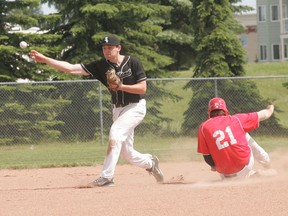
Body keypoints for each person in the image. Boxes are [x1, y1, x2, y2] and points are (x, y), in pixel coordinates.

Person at [29, 35, 164, 186]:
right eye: (104, 48)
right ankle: (150, 163)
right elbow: (71, 68)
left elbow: (142, 88)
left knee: (115, 133)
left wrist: (120, 87)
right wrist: (46, 59)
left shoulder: (133, 62)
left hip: (136, 106)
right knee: (128, 153)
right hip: (118, 110)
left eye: (110, 48)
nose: (106, 51)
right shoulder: (101, 66)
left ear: (118, 48)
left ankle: (107, 177)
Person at [197, 97, 274, 180]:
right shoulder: (236, 119)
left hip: (225, 175)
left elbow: (207, 157)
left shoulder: (203, 127)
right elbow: (265, 115)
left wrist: (213, 166)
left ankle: (249, 175)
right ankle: (267, 165)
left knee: (212, 148)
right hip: (245, 166)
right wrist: (271, 108)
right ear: (225, 110)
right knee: (243, 133)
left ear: (209, 112)